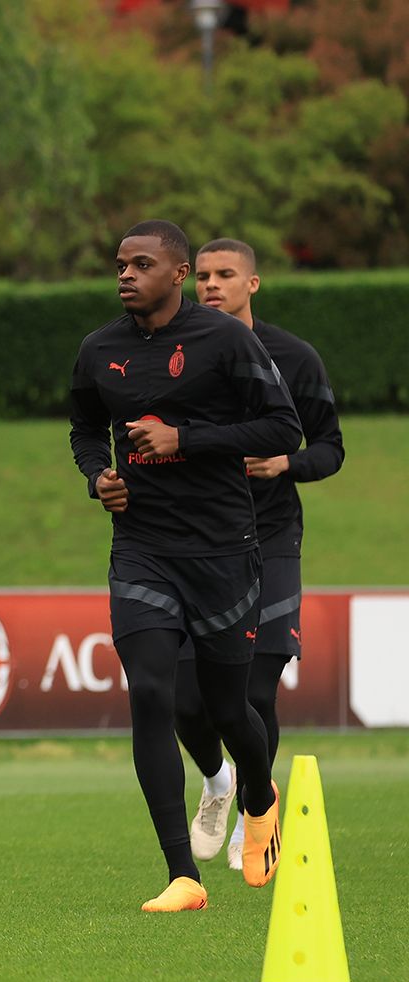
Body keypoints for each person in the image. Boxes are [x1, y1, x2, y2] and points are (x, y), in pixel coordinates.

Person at [67, 219, 299, 912]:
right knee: (151, 695)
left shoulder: (226, 341)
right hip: (141, 546)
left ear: (177, 274)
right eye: (119, 264)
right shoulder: (98, 349)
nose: (125, 275)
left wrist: (185, 439)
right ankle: (183, 877)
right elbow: (83, 427)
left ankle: (259, 798)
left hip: (224, 549)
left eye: (141, 264)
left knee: (231, 708)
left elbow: (283, 429)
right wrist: (96, 476)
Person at [177, 238, 344, 869]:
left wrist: (286, 462)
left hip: (271, 539)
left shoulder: (294, 358)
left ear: (254, 284)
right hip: (195, 540)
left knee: (256, 690)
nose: (212, 285)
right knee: (187, 702)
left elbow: (330, 447)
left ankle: (257, 809)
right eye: (205, 276)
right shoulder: (173, 353)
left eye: (226, 275)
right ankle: (219, 779)